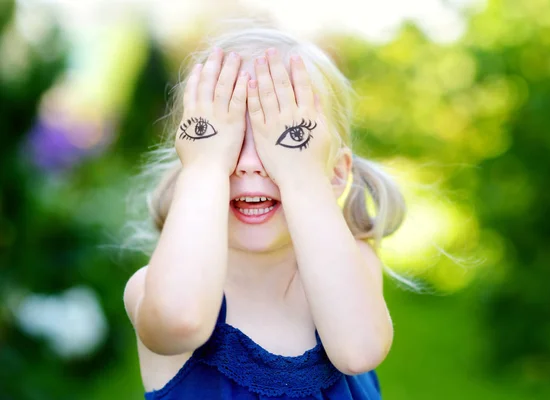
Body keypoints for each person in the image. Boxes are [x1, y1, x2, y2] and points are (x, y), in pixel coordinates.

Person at [123, 26, 411, 399]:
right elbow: (180, 321)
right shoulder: (154, 288)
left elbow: (359, 351)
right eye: (225, 143)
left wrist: (301, 178)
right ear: (192, 169)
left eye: (285, 140)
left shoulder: (353, 265)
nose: (247, 165)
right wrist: (206, 169)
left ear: (336, 174)